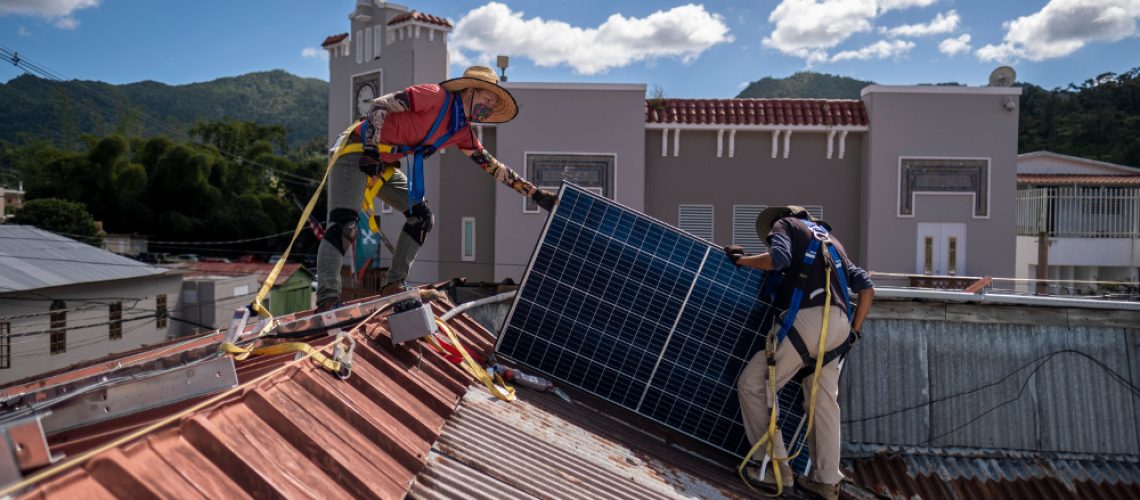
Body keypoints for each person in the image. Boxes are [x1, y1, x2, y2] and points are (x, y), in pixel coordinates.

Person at [316, 66, 557, 309]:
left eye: (492, 105)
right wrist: (370, 147)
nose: (488, 107)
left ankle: (394, 284)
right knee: (345, 223)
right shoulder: (434, 96)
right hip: (358, 150)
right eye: (487, 99)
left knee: (422, 217)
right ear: (470, 91)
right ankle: (327, 299)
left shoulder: (460, 132)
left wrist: (535, 194)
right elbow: (380, 105)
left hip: (382, 163)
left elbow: (493, 167)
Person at [724, 205, 874, 500]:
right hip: (841, 327)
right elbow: (867, 288)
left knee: (755, 385)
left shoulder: (785, 225)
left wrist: (741, 260)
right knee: (822, 401)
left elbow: (777, 260)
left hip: (806, 319)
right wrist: (854, 332)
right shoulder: (833, 243)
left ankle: (774, 470)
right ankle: (826, 481)